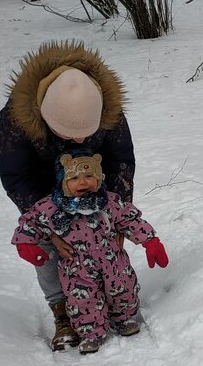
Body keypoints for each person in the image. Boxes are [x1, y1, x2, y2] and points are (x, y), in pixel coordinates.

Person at [0, 40, 136, 349]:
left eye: (87, 131)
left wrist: (118, 216)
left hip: (91, 179)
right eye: (69, 133)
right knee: (49, 247)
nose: (80, 139)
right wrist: (49, 224)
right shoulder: (15, 120)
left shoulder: (108, 108)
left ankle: (109, 299)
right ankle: (61, 312)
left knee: (99, 243)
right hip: (42, 187)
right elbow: (16, 175)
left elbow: (121, 161)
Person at [12, 149, 169, 354]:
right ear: (62, 181)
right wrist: (25, 244)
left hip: (113, 260)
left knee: (123, 288)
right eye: (74, 178)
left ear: (99, 178)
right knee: (84, 299)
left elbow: (130, 220)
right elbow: (30, 222)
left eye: (89, 176)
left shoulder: (109, 201)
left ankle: (123, 318)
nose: (83, 182)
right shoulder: (51, 208)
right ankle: (91, 332)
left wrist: (150, 241)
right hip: (76, 266)